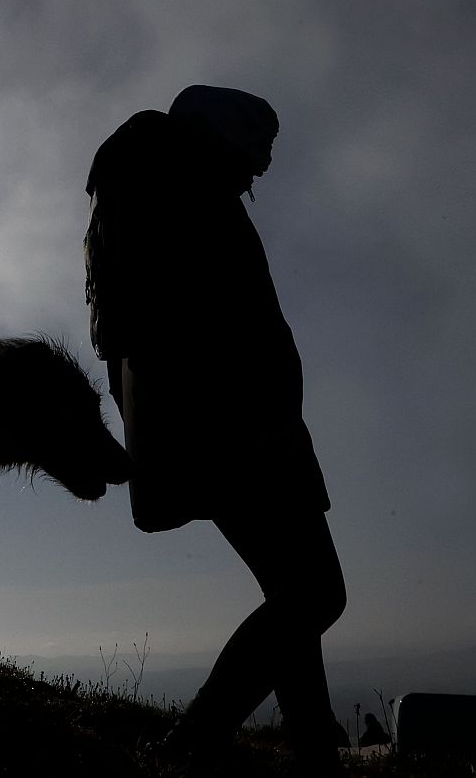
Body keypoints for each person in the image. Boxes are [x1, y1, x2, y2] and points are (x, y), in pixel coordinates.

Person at [84, 85, 348, 771]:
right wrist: (259, 418)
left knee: (291, 588)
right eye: (254, 157)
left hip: (211, 420)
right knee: (317, 592)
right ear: (221, 139)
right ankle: (194, 742)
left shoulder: (144, 182)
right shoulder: (177, 187)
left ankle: (314, 746)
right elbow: (202, 321)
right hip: (238, 421)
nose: (258, 173)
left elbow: (124, 329)